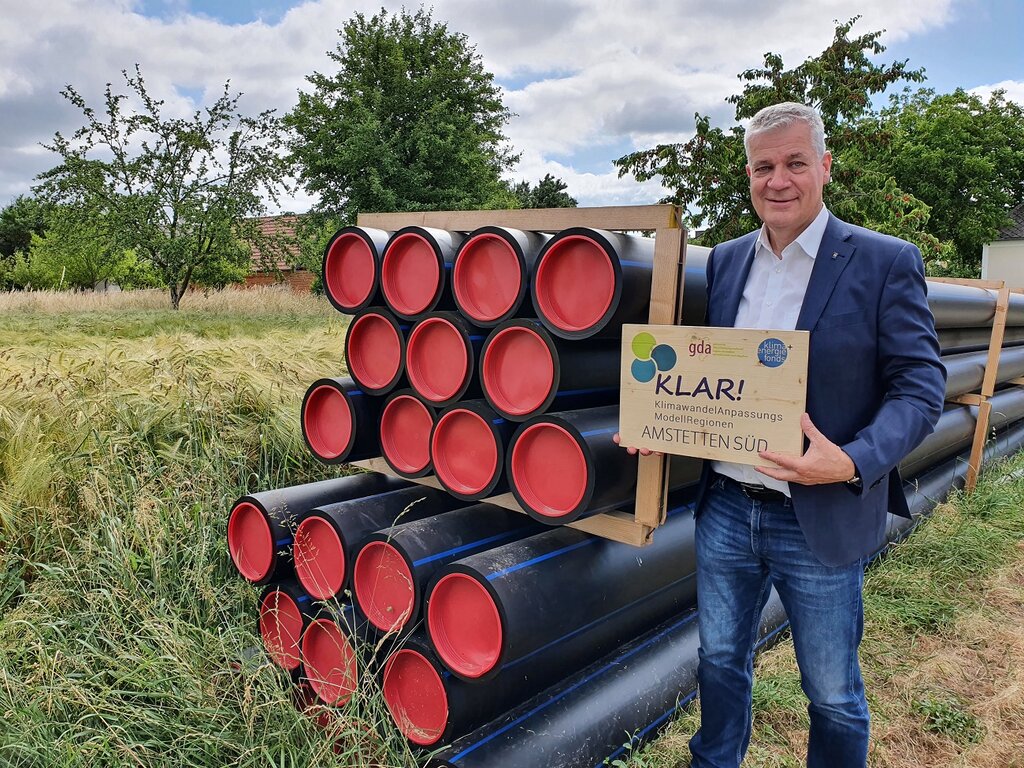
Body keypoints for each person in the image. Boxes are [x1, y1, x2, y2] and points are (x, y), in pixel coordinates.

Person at [616, 102, 946, 767]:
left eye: (796, 162)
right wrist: (663, 421)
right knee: (719, 663)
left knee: (830, 692)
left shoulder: (884, 262)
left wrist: (852, 461)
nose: (780, 180)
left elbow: (921, 386)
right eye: (764, 166)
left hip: (818, 516)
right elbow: (715, 376)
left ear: (824, 166)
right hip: (729, 511)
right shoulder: (729, 262)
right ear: (749, 175)